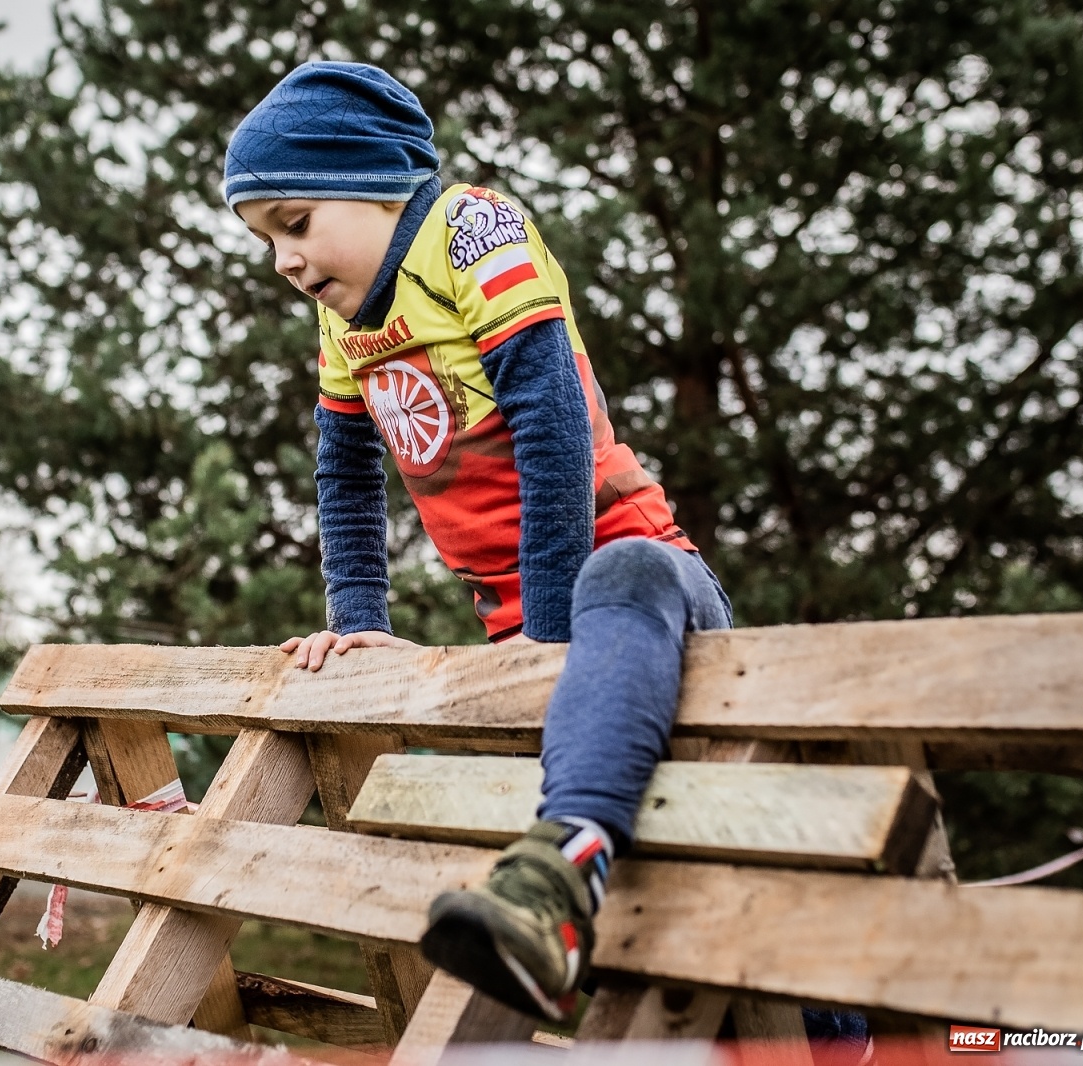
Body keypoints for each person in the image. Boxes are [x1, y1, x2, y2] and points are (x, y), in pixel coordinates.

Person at [222, 59, 864, 1051]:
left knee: (621, 573)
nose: (284, 259)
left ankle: (563, 879)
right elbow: (344, 468)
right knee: (693, 870)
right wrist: (359, 626)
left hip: (648, 592)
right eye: (265, 239)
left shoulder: (472, 231)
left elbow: (551, 420)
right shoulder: (343, 320)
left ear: (378, 182)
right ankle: (831, 1030)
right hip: (538, 639)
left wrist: (549, 636)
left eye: (295, 222)